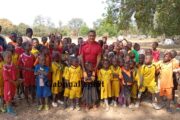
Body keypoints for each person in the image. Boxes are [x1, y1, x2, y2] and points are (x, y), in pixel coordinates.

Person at [2, 51, 17, 115]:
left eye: (10, 57)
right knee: (8, 97)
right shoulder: (5, 67)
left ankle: (10, 107)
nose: (10, 59)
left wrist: (17, 80)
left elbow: (14, 73)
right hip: (8, 84)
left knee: (11, 96)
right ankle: (9, 110)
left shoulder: (12, 65)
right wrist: (14, 82)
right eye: (8, 57)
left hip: (13, 84)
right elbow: (6, 78)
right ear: (4, 59)